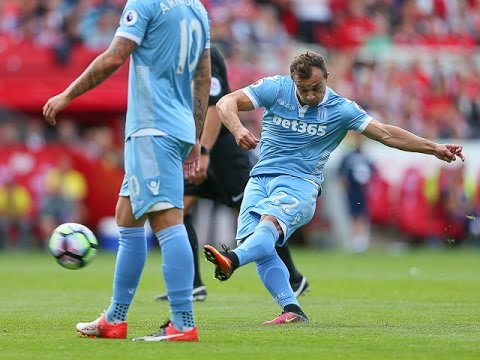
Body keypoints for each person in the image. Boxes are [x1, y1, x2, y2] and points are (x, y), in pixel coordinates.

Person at [202, 51, 465, 325]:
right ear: (293, 81)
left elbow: (386, 133)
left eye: (316, 88)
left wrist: (433, 147)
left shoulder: (342, 109)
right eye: (303, 90)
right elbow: (225, 102)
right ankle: (292, 309)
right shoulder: (276, 88)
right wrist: (237, 129)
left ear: (326, 78)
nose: (310, 96)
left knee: (267, 228)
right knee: (258, 247)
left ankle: (231, 260)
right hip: (260, 180)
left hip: (300, 183)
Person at [42, 1, 211, 342]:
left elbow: (115, 56)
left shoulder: (145, 3)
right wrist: (194, 133)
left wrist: (67, 94)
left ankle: (183, 322)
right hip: (174, 126)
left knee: (167, 219)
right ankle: (114, 319)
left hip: (152, 127)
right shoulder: (197, 8)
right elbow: (203, 75)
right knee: (128, 217)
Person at [154, 46, 309, 303]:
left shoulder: (203, 53)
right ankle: (191, 284)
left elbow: (215, 106)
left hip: (222, 151)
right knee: (178, 209)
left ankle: (293, 279)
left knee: (257, 217)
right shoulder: (172, 54)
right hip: (193, 147)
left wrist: (204, 150)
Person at [337, 133, 375, 253]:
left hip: (363, 190)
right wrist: (345, 187)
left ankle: (361, 240)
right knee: (353, 215)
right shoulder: (349, 156)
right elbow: (341, 173)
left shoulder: (366, 156)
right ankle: (355, 240)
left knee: (362, 214)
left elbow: (373, 172)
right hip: (352, 190)